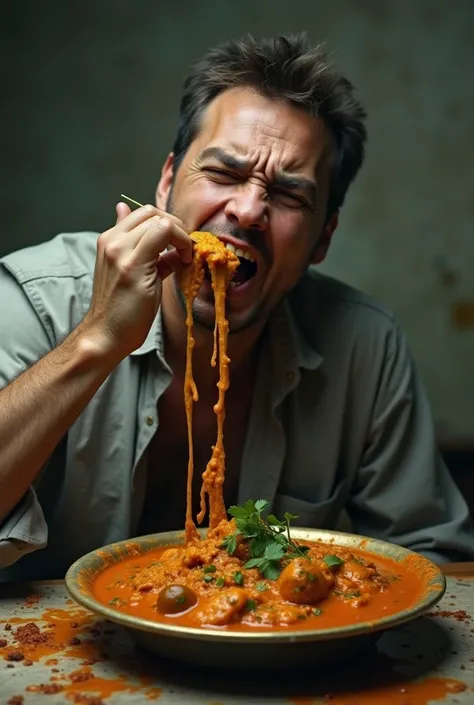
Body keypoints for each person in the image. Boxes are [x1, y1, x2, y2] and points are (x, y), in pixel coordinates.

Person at [0, 34, 473, 581]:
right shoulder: (38, 297)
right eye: (223, 173)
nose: (248, 210)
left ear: (323, 239)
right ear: (167, 183)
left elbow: (436, 567)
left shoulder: (365, 345)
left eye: (290, 195)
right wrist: (97, 339)